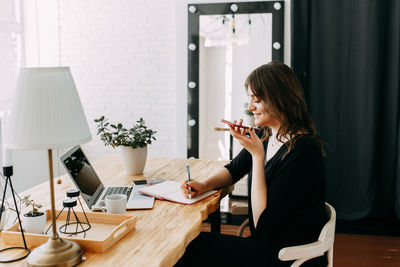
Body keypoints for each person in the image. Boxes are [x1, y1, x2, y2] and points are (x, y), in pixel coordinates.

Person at [175, 62, 328, 267]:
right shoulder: (265, 135)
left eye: (257, 100)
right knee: (188, 245)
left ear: (279, 100)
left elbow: (262, 224)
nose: (250, 108)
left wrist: (257, 156)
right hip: (265, 244)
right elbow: (233, 170)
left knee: (189, 249)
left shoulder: (303, 151)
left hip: (287, 254)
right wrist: (204, 185)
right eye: (250, 99)